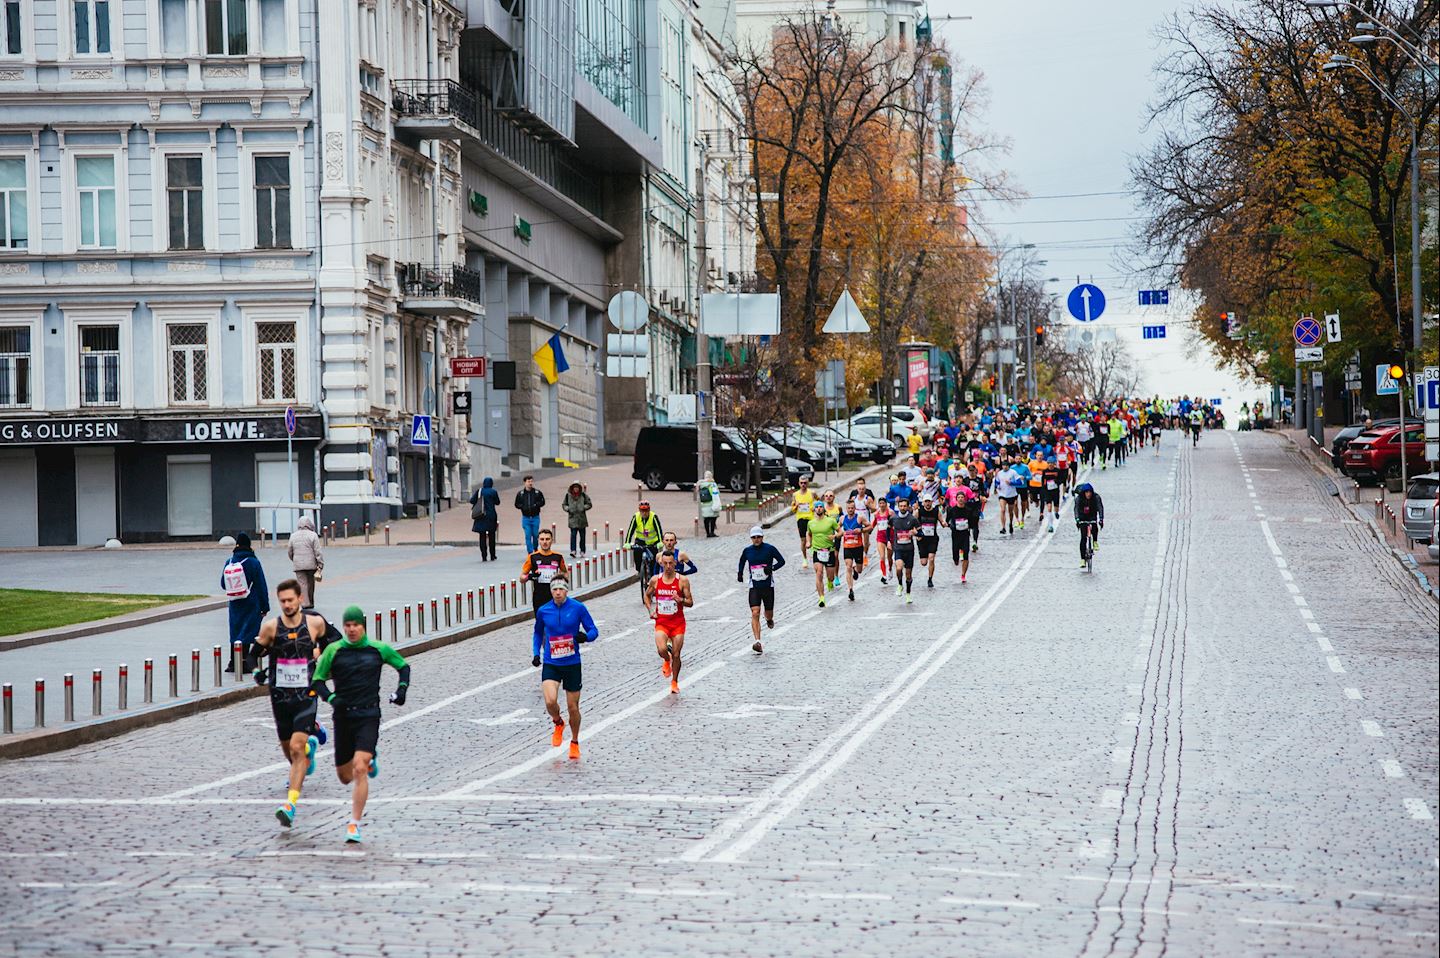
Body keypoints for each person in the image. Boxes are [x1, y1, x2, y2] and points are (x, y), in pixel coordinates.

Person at [310, 606, 410, 843]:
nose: (352, 629)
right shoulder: (333, 651)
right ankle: (368, 759)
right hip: (343, 717)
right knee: (345, 776)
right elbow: (317, 681)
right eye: (348, 625)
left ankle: (354, 824)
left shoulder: (378, 649)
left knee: (359, 767)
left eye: (356, 625)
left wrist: (401, 690)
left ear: (363, 625)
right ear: (344, 627)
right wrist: (331, 698)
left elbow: (403, 667)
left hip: (368, 715)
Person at [251, 579, 327, 827]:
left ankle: (290, 805)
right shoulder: (271, 628)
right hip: (280, 697)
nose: (286, 604)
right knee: (290, 751)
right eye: (282, 601)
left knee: (295, 747)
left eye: (290, 600)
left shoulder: (315, 622)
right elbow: (253, 655)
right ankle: (309, 750)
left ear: (300, 600)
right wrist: (256, 673)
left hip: (306, 695)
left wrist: (320, 658)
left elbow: (333, 643)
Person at [531, 576, 598, 759]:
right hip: (552, 662)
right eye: (554, 589)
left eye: (561, 589)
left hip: (572, 663)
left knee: (573, 707)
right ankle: (558, 722)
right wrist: (536, 653)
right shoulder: (544, 611)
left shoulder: (578, 608)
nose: (558, 592)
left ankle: (574, 741)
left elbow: (594, 630)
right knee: (550, 701)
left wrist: (586, 637)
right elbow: (537, 633)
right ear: (551, 591)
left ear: (566, 591)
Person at [644, 550, 694, 694]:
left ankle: (674, 682)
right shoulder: (655, 580)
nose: (668, 566)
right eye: (665, 563)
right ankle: (666, 660)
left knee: (677, 654)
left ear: (675, 563)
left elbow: (690, 602)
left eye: (670, 563)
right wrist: (650, 611)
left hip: (678, 624)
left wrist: (681, 600)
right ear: (661, 563)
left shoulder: (683, 580)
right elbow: (647, 596)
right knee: (662, 650)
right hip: (662, 623)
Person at [222, 533, 269, 672]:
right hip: (251, 602)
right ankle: (244, 662)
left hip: (234, 603)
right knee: (248, 631)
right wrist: (264, 606)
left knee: (235, 630)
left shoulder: (229, 562)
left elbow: (223, 584)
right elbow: (261, 585)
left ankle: (233, 662)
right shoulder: (254, 562)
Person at [737, 526, 786, 653]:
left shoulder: (770, 549)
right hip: (754, 586)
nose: (756, 539)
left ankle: (769, 619)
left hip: (768, 586)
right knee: (755, 612)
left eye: (759, 537)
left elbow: (782, 561)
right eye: (754, 537)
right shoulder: (747, 551)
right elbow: (742, 561)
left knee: (768, 612)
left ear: (762, 537)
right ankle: (757, 641)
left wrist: (772, 568)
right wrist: (740, 573)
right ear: (751, 538)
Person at [521, 529, 569, 614]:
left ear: (552, 540)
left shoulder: (558, 557)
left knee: (555, 622)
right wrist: (531, 576)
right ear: (538, 541)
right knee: (541, 623)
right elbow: (522, 578)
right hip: (539, 596)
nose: (545, 542)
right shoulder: (532, 557)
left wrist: (562, 583)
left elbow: (565, 572)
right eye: (542, 539)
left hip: (554, 595)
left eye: (547, 539)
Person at [623, 500, 664, 589]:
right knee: (637, 554)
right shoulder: (636, 517)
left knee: (653, 561)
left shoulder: (653, 517)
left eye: (646, 511)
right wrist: (627, 542)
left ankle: (653, 578)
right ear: (639, 510)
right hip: (640, 541)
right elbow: (630, 530)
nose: (644, 513)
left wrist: (660, 542)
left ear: (649, 510)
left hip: (652, 543)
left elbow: (659, 530)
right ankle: (640, 571)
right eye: (642, 511)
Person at [806, 503, 840, 608]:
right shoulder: (811, 523)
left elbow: (840, 532)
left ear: (823, 509)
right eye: (817, 507)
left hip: (829, 551)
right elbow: (808, 533)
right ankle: (821, 598)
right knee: (819, 573)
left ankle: (830, 582)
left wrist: (834, 535)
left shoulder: (830, 521)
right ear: (814, 509)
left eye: (820, 507)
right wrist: (808, 542)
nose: (819, 508)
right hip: (817, 551)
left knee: (830, 576)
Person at [287, 516, 323, 608]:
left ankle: (304, 603)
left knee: (302, 584)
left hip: (298, 565)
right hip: (311, 565)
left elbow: (290, 551)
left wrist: (294, 559)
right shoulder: (313, 535)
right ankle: (310, 602)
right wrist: (320, 563)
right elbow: (317, 551)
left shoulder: (293, 536)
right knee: (311, 584)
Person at [945, 478, 975, 584]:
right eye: (959, 497)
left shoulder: (968, 510)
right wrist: (950, 525)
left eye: (962, 497)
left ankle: (963, 574)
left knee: (966, 554)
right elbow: (947, 520)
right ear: (956, 499)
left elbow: (972, 522)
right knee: (956, 558)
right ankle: (956, 559)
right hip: (955, 535)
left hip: (965, 535)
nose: (961, 499)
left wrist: (969, 525)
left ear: (965, 499)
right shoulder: (952, 510)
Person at [889, 496, 919, 603]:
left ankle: (908, 593)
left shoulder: (912, 519)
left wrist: (916, 533)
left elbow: (921, 533)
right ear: (898, 506)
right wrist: (889, 541)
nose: (902, 507)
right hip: (898, 549)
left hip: (909, 550)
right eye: (900, 506)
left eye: (904, 506)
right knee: (898, 568)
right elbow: (888, 530)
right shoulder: (894, 519)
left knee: (908, 574)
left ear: (908, 507)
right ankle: (900, 584)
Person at [838, 500, 866, 601]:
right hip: (847, 547)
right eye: (848, 508)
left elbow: (870, 526)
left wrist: (861, 530)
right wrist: (840, 533)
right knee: (848, 566)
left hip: (858, 547)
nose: (850, 510)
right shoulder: (842, 519)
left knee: (860, 570)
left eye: (852, 508)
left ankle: (856, 569)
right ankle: (850, 590)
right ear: (846, 509)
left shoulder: (860, 518)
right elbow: (837, 528)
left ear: (855, 508)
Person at [1073, 482, 1105, 568]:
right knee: (1083, 538)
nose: (1088, 494)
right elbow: (1076, 509)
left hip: (1092, 515)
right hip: (1082, 517)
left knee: (1094, 526)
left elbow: (1100, 508)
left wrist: (1101, 519)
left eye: (1090, 492)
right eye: (1086, 492)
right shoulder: (1079, 499)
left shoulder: (1096, 498)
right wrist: (1077, 520)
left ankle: (1095, 541)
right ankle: (1082, 559)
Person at [915, 491, 942, 589]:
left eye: (929, 501)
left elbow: (942, 521)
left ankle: (930, 579)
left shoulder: (936, 511)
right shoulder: (919, 511)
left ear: (931, 502)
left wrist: (946, 524)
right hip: (922, 539)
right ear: (923, 502)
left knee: (931, 558)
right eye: (926, 501)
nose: (927, 503)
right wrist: (916, 533)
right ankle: (923, 556)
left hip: (933, 539)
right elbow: (913, 523)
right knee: (923, 563)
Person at [471, 477, 501, 561]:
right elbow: (498, 502)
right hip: (491, 515)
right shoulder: (493, 492)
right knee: (492, 536)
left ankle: (484, 556)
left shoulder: (480, 491)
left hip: (481, 515)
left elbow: (472, 500)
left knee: (482, 536)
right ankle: (492, 555)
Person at [514, 476, 546, 553]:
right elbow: (516, 504)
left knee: (535, 535)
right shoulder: (520, 494)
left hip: (535, 517)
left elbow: (543, 502)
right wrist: (522, 507)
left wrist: (536, 505)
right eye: (528, 481)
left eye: (531, 481)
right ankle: (530, 552)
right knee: (528, 535)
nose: (530, 483)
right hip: (526, 518)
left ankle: (535, 548)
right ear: (525, 482)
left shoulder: (537, 493)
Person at [561, 482, 592, 557]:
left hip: (582, 519)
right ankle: (573, 550)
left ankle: (582, 550)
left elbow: (589, 504)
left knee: (582, 536)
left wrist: (583, 507)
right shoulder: (568, 495)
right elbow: (564, 504)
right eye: (574, 487)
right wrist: (568, 509)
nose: (576, 489)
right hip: (572, 518)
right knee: (573, 535)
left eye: (577, 487)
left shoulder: (583, 495)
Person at [790, 475, 816, 562]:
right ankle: (805, 558)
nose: (803, 484)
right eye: (801, 483)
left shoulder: (812, 493)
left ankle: (812, 548)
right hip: (800, 519)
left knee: (812, 535)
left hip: (811, 518)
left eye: (805, 483)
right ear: (799, 483)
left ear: (808, 483)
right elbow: (792, 509)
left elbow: (819, 500)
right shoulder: (795, 495)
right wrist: (796, 506)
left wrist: (815, 508)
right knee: (803, 540)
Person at [872, 497, 894, 585]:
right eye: (880, 503)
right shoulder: (876, 514)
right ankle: (884, 575)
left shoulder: (890, 512)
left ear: (886, 504)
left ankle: (890, 569)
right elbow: (873, 524)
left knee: (889, 557)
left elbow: (895, 523)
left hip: (890, 537)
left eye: (883, 503)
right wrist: (867, 529)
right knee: (881, 557)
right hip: (880, 538)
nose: (881, 505)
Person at [697, 470, 723, 537]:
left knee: (706, 519)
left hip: (704, 504)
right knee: (713, 518)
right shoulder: (712, 484)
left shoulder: (701, 484)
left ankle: (707, 533)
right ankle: (712, 532)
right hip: (712, 504)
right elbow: (717, 493)